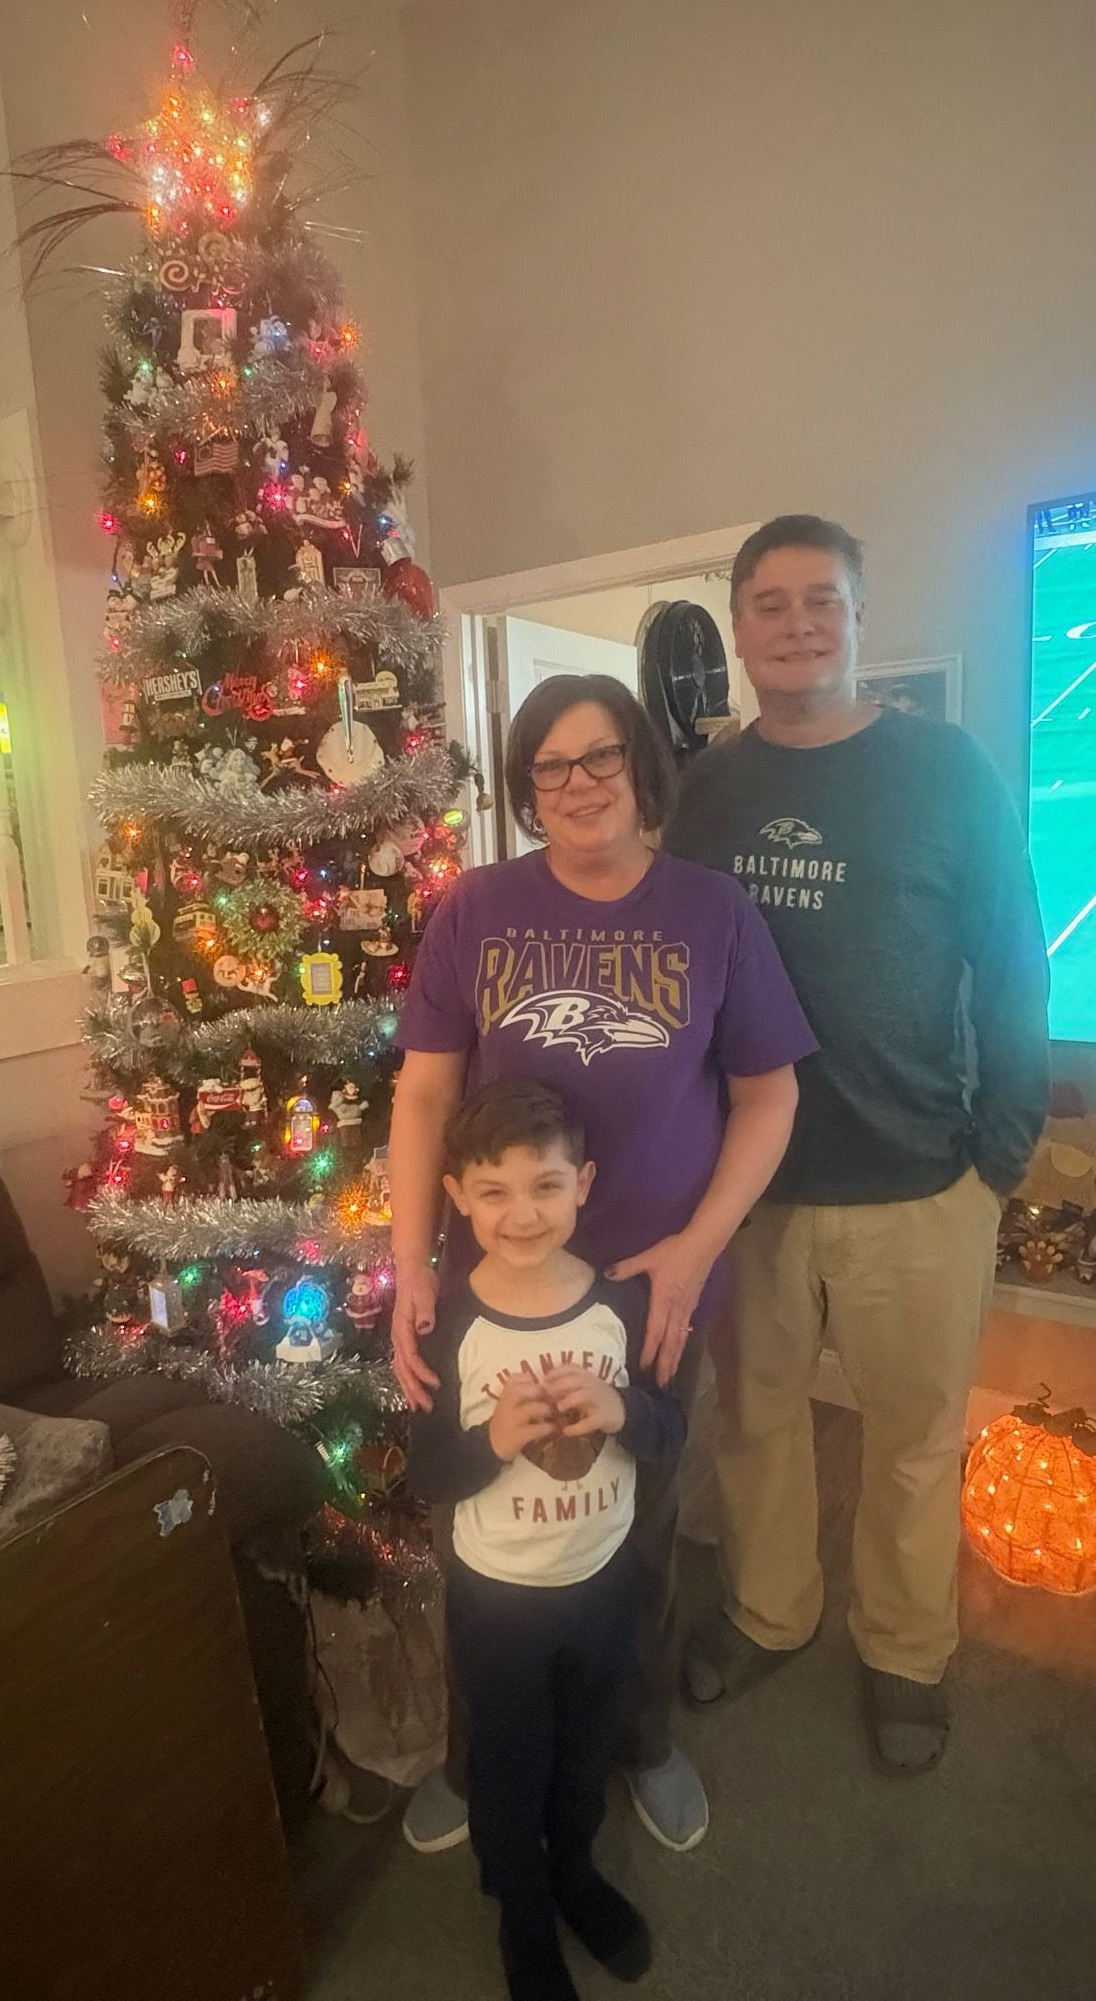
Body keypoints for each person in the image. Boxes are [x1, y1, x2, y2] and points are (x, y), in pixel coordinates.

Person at [390, 672, 815, 1854]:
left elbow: (769, 1095)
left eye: (600, 755)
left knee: (637, 1531)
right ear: (526, 787)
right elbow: (423, 1095)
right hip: (492, 1289)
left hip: (646, 1287)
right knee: (481, 1534)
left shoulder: (713, 911)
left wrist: (697, 1246)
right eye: (549, 765)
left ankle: (641, 1735)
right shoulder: (475, 906)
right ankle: (477, 1759)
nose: (577, 783)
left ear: (639, 763)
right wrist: (411, 1258)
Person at [669, 514, 1050, 1774]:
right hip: (752, 1188)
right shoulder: (708, 788)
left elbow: (1013, 959)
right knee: (755, 1424)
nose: (796, 624)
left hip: (921, 1183)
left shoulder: (946, 768)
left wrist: (1000, 1152)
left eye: (820, 600)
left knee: (913, 1444)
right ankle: (769, 1609)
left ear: (858, 618)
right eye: (769, 603)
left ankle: (904, 1648)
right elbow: (680, 969)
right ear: (739, 630)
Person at [408, 1079, 687, 2001]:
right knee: (509, 1768)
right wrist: (490, 1442)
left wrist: (625, 1412)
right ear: (457, 1195)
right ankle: (523, 1920)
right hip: (498, 1605)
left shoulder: (623, 1308)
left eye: (545, 1186)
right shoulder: (447, 1327)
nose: (521, 1214)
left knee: (583, 1752)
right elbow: (425, 1475)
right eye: (493, 1191)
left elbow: (671, 1432)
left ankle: (575, 1874)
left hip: (602, 1586)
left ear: (584, 1185)